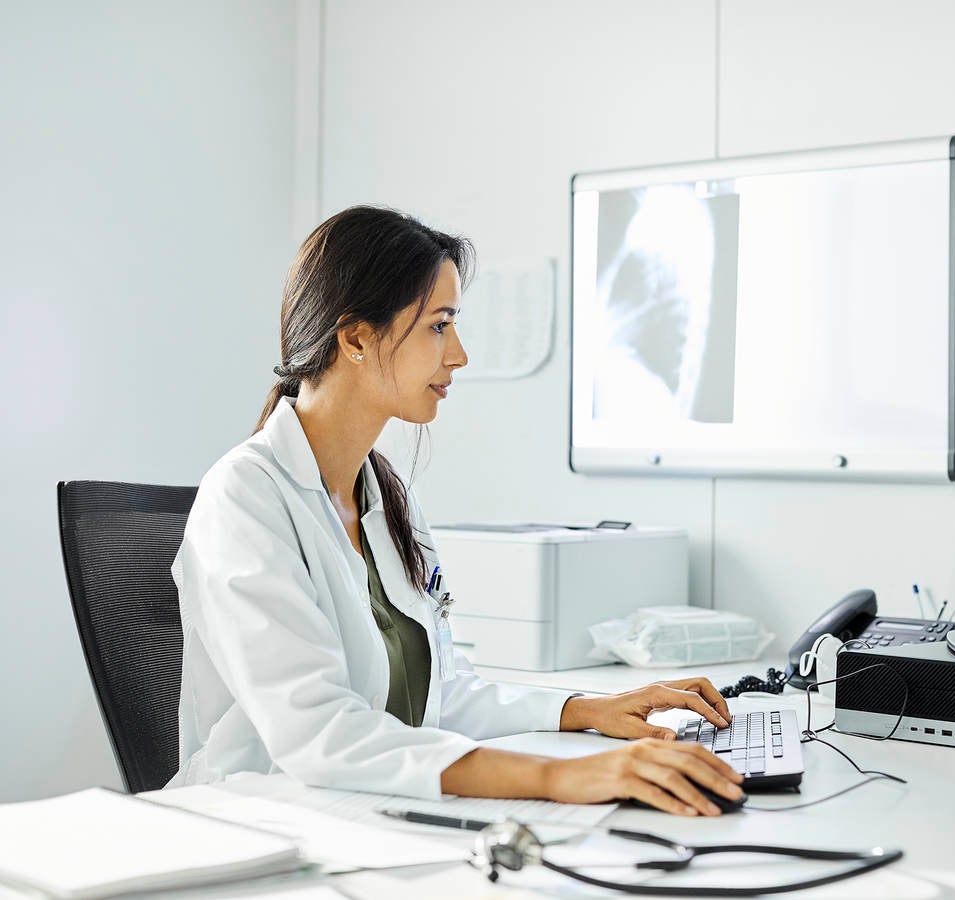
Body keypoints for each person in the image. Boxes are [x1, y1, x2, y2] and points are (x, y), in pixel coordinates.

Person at [169, 205, 744, 816]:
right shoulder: (244, 497)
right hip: (259, 823)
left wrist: (585, 710)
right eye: (439, 326)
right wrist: (561, 777)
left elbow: (442, 693)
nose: (460, 354)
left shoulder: (384, 496)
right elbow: (320, 735)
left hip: (367, 812)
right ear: (357, 337)